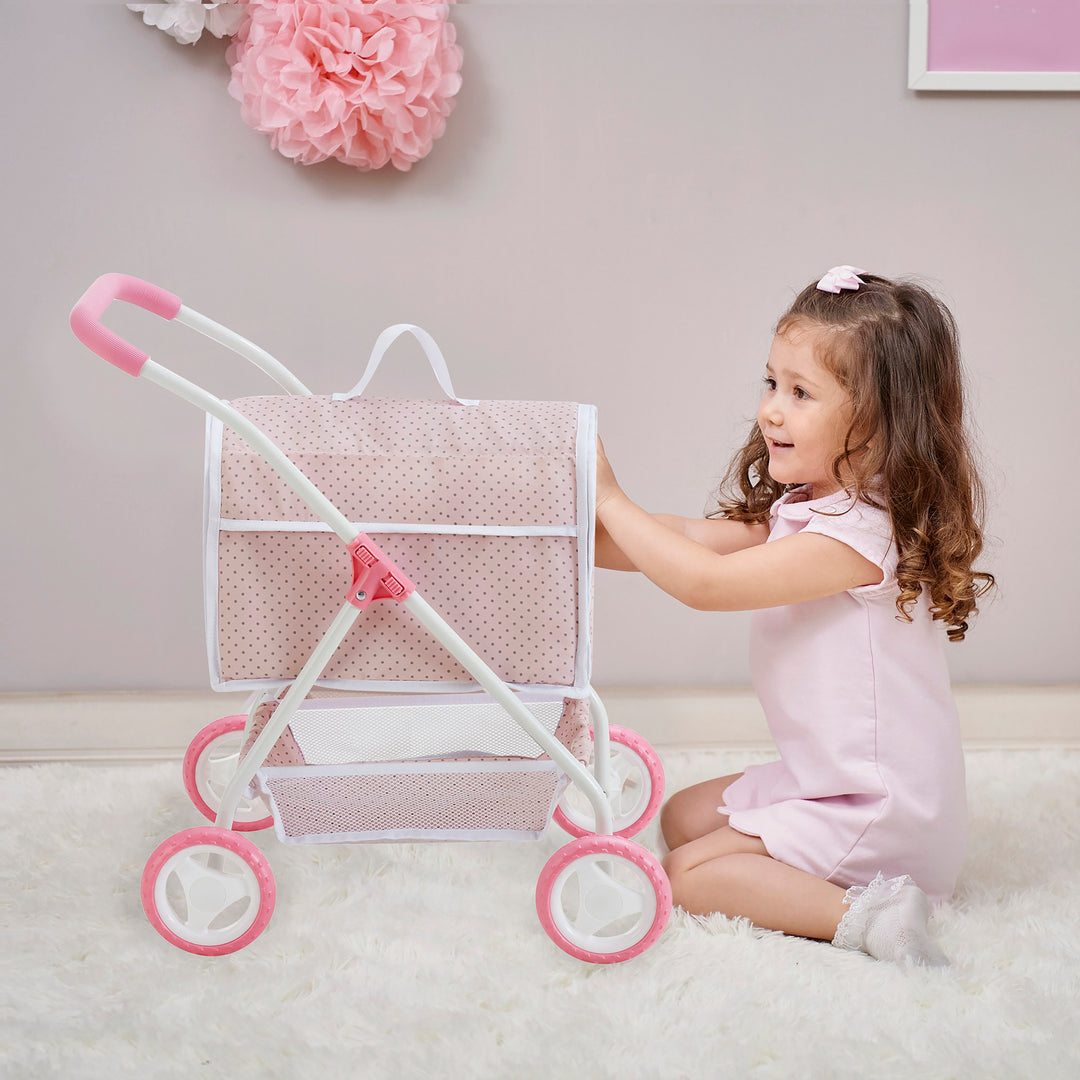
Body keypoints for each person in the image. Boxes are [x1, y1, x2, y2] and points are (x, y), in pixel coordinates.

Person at [595, 266, 995, 966]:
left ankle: (872, 916)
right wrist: (581, 523)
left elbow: (707, 583)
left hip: (880, 808)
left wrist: (610, 502)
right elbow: (683, 538)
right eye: (772, 383)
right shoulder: (812, 511)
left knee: (690, 877)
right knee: (682, 818)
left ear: (875, 424)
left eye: (801, 392)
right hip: (830, 780)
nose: (772, 410)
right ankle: (823, 875)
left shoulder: (858, 539)